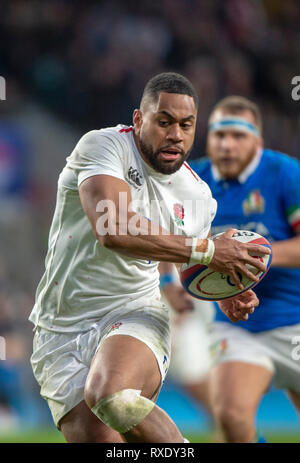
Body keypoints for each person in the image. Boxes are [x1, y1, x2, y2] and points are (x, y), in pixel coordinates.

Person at [29, 73, 269, 443]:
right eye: (164, 122)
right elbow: (113, 230)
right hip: (60, 326)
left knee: (114, 397)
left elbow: (189, 264)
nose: (175, 134)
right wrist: (208, 251)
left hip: (134, 311)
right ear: (139, 120)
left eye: (186, 125)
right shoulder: (103, 147)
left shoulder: (198, 197)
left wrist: (227, 292)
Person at [189, 95, 300, 443]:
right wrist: (170, 281)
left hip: (295, 317)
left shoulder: (285, 173)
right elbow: (180, 246)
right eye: (219, 135)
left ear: (258, 142)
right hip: (238, 324)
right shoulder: (194, 180)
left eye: (238, 135)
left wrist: (253, 256)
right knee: (232, 418)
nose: (227, 144)